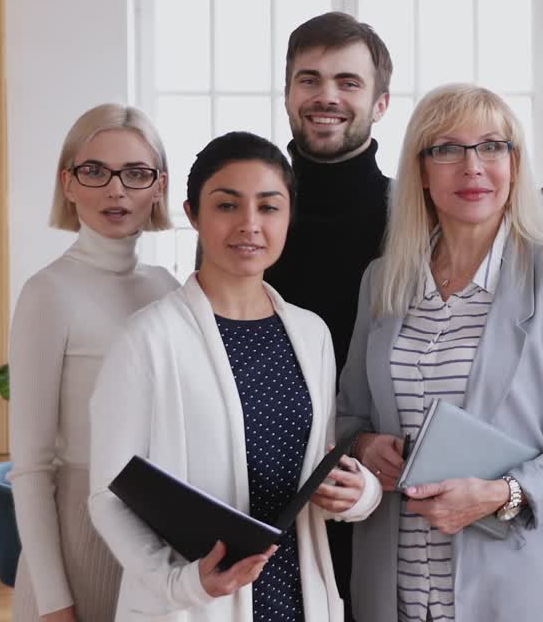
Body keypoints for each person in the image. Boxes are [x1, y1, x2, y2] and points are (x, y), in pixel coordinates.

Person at [337, 83, 543, 622]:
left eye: (492, 146)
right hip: (388, 587)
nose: (472, 167)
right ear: (420, 170)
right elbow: (346, 414)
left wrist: (504, 493)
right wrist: (366, 443)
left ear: (515, 165)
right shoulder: (382, 281)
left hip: (507, 586)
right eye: (447, 148)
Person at [89, 132, 382, 622]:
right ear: (193, 214)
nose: (250, 225)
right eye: (227, 205)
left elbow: (322, 464)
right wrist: (181, 583)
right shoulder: (147, 339)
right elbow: (107, 495)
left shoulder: (312, 334)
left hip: (298, 595)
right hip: (193, 604)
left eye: (269, 207)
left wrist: (361, 494)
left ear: (289, 217)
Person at [9, 103, 179, 622]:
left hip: (154, 545)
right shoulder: (48, 292)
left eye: (135, 173)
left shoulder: (168, 289)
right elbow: (32, 468)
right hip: (73, 548)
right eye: (95, 171)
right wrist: (55, 599)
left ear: (159, 187)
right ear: (68, 182)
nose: (116, 189)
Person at [264, 11, 394, 617]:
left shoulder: (414, 211)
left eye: (348, 81)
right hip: (261, 478)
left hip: (383, 480)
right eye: (308, 79)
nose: (327, 96)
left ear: (381, 101)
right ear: (288, 92)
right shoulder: (250, 211)